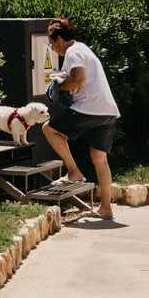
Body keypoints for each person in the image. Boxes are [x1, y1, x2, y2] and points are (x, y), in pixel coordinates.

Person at [41, 17, 119, 222]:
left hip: (89, 108)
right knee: (99, 159)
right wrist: (63, 81)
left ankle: (74, 172)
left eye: (51, 43)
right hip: (107, 110)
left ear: (58, 38)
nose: (53, 48)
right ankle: (105, 208)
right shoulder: (84, 48)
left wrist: (58, 87)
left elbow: (79, 79)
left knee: (49, 129)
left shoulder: (72, 52)